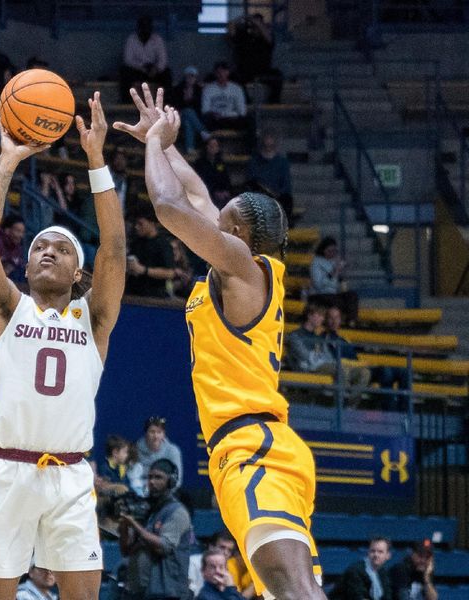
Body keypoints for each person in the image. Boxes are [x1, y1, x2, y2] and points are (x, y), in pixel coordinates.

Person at [114, 84, 325, 599]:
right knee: (286, 592)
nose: (212, 222)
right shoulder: (242, 268)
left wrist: (152, 148)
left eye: (224, 224)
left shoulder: (244, 268)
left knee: (294, 592)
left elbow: (167, 204)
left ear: (239, 238)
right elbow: (194, 195)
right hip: (253, 445)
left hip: (254, 448)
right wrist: (163, 143)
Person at [0, 92, 126, 600]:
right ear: (27, 264)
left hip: (72, 474)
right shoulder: (6, 308)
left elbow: (116, 248)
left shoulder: (93, 317)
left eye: (60, 248)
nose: (47, 251)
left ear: (78, 272)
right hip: (9, 469)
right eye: (38, 247)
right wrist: (8, 160)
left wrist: (96, 160)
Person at [118, 459, 193, 600]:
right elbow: (125, 551)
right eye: (150, 477)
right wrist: (124, 526)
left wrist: (134, 524)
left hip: (168, 592)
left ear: (171, 481)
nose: (152, 481)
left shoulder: (177, 512)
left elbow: (164, 546)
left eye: (158, 477)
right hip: (141, 590)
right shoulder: (149, 511)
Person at [323, 306, 410, 411]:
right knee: (386, 372)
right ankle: (390, 411)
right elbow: (331, 361)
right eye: (331, 318)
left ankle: (405, 411)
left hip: (360, 367)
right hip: (350, 370)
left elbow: (357, 353)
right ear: (326, 319)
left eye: (336, 318)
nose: (334, 321)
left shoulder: (344, 339)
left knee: (404, 372)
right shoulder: (323, 339)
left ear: (340, 320)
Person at [285, 302, 370, 406]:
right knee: (340, 370)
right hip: (309, 368)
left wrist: (328, 361)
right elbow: (306, 357)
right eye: (319, 315)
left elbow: (327, 356)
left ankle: (350, 406)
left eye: (322, 316)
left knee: (364, 373)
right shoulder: (295, 336)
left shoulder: (318, 337)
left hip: (323, 365)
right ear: (309, 315)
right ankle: (339, 406)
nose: (322, 319)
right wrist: (323, 359)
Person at [227, 13, 282, 104]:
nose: (256, 25)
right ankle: (246, 102)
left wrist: (258, 23)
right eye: (254, 23)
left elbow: (268, 38)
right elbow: (231, 27)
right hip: (245, 71)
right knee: (234, 77)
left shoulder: (266, 38)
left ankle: (274, 102)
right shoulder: (244, 36)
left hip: (263, 70)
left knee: (278, 75)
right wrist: (243, 18)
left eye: (259, 23)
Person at [309, 236, 360, 327]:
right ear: (323, 250)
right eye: (330, 251)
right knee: (337, 301)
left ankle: (351, 321)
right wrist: (333, 272)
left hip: (333, 293)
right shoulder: (316, 263)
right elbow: (318, 284)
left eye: (334, 251)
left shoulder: (333, 262)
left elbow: (338, 284)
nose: (332, 253)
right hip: (320, 294)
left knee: (352, 295)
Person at [125, 207, 176, 298]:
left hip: (153, 295)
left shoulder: (163, 244)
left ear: (151, 223)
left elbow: (170, 273)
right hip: (132, 293)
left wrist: (144, 270)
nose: (137, 227)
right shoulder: (136, 242)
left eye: (141, 224)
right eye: (136, 224)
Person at [120, 16, 171, 102]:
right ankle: (127, 100)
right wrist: (142, 68)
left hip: (153, 71)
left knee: (167, 73)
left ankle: (166, 101)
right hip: (138, 70)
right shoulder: (132, 39)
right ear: (139, 28)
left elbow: (163, 60)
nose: (145, 30)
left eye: (147, 27)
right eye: (143, 27)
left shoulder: (157, 40)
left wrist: (155, 69)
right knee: (124, 72)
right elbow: (128, 60)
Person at [246, 131, 293, 222]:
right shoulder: (254, 162)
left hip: (278, 198)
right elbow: (251, 182)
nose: (268, 148)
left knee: (286, 201)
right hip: (259, 198)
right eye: (266, 146)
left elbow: (286, 185)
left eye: (271, 146)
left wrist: (276, 194)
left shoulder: (282, 162)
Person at [132, 417, 183, 497]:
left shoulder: (173, 451)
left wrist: (163, 493)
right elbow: (132, 477)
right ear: (146, 433)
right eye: (152, 432)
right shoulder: (135, 449)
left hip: (165, 494)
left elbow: (177, 480)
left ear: (164, 434)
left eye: (159, 432)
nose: (156, 436)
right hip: (139, 492)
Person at [200, 62, 249, 133]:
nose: (221, 74)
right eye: (218, 72)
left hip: (232, 119)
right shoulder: (208, 89)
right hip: (216, 120)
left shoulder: (237, 88)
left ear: (228, 72)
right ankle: (211, 141)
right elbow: (205, 109)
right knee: (206, 120)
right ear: (215, 73)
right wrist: (213, 114)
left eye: (224, 71)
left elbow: (242, 111)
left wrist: (231, 115)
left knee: (250, 121)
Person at [171, 67, 208, 155]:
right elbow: (175, 104)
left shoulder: (199, 90)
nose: (190, 79)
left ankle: (190, 148)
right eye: (188, 76)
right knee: (187, 111)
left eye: (192, 76)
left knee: (188, 122)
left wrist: (191, 99)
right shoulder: (178, 89)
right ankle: (203, 131)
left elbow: (199, 107)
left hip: (194, 118)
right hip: (179, 116)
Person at [193, 137, 232, 209]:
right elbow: (201, 180)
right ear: (206, 147)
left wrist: (225, 190)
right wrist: (214, 192)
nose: (214, 148)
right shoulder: (199, 163)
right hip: (207, 192)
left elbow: (225, 178)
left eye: (216, 146)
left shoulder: (220, 162)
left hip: (220, 192)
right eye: (211, 145)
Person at [0, 214, 26, 281]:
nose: (21, 235)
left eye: (22, 232)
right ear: (7, 230)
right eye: (18, 231)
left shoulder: (18, 247)